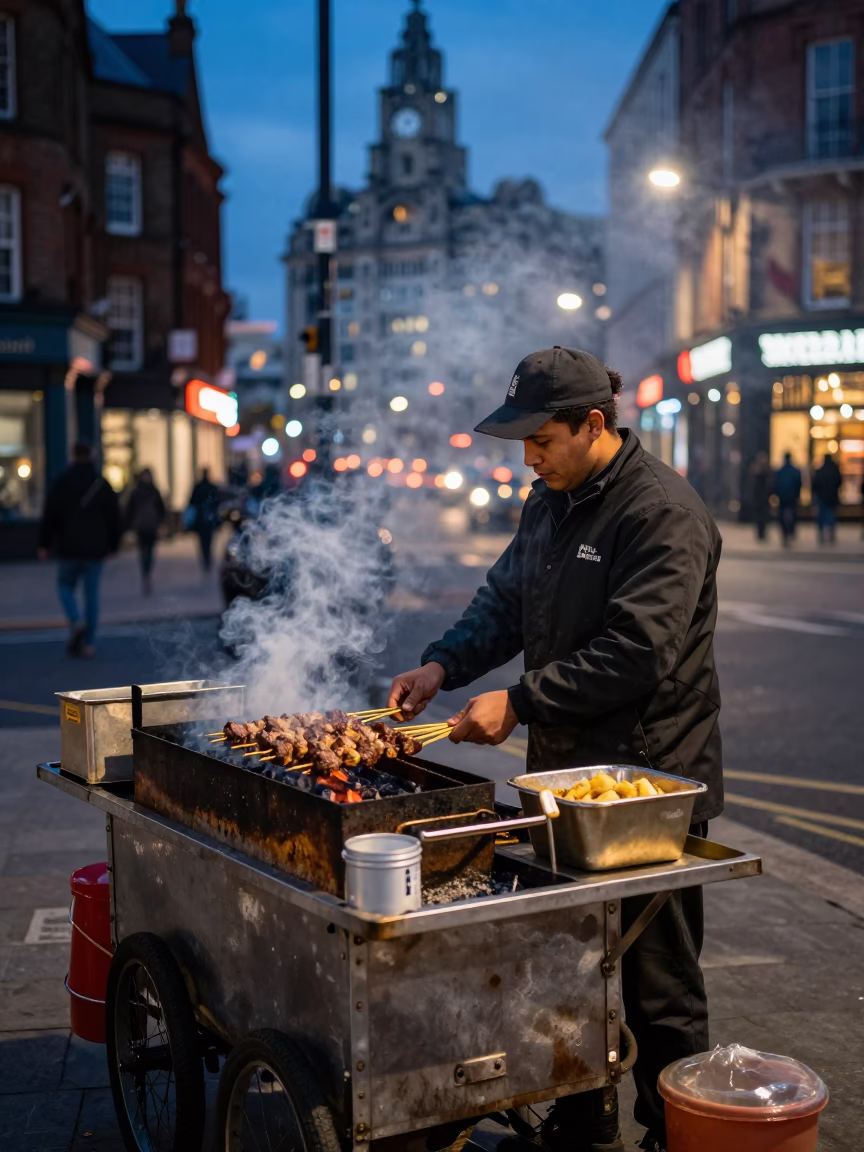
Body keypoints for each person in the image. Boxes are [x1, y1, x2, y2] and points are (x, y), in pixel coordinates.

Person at [387, 348, 723, 1152]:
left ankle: (676, 1134)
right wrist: (444, 663)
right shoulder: (550, 501)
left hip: (647, 788)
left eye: (540, 440)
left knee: (656, 981)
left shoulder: (660, 513)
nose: (528, 457)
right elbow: (505, 601)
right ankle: (583, 1121)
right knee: (570, 961)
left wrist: (522, 701)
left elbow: (639, 651)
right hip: (564, 783)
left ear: (592, 425)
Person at [38, 442, 122, 657]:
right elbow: (114, 517)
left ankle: (76, 620)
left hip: (69, 546)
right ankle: (89, 643)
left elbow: (50, 515)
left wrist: (45, 544)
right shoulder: (101, 484)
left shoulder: (62, 482)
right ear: (92, 455)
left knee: (65, 585)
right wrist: (113, 545)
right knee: (91, 594)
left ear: (72, 455)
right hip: (95, 548)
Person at [125, 468, 165, 594]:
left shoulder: (152, 491)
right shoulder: (138, 491)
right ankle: (145, 573)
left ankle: (146, 572)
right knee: (143, 551)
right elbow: (130, 509)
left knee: (150, 551)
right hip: (142, 526)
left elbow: (161, 508)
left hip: (150, 526)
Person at [187, 467, 221, 572]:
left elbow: (191, 502)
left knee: (202, 542)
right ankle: (207, 559)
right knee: (209, 541)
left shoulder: (198, 487)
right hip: (209, 519)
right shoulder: (212, 487)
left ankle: (205, 559)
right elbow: (217, 502)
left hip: (200, 519)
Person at [810, 454, 842, 545]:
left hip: (821, 497)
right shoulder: (834, 470)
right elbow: (839, 482)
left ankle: (821, 534)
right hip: (831, 497)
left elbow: (814, 485)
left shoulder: (820, 471)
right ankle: (831, 533)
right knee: (830, 515)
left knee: (821, 516)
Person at [773, 451, 802, 547]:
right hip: (792, 497)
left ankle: (785, 533)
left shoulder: (780, 471)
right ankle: (790, 532)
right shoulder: (795, 471)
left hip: (783, 497)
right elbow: (799, 484)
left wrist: (776, 494)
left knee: (783, 516)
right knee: (792, 515)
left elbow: (776, 484)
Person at [748, 450, 773, 541]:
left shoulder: (765, 471)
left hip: (762, 498)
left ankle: (761, 533)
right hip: (760, 498)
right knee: (761, 516)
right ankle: (760, 533)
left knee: (762, 516)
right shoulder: (757, 470)